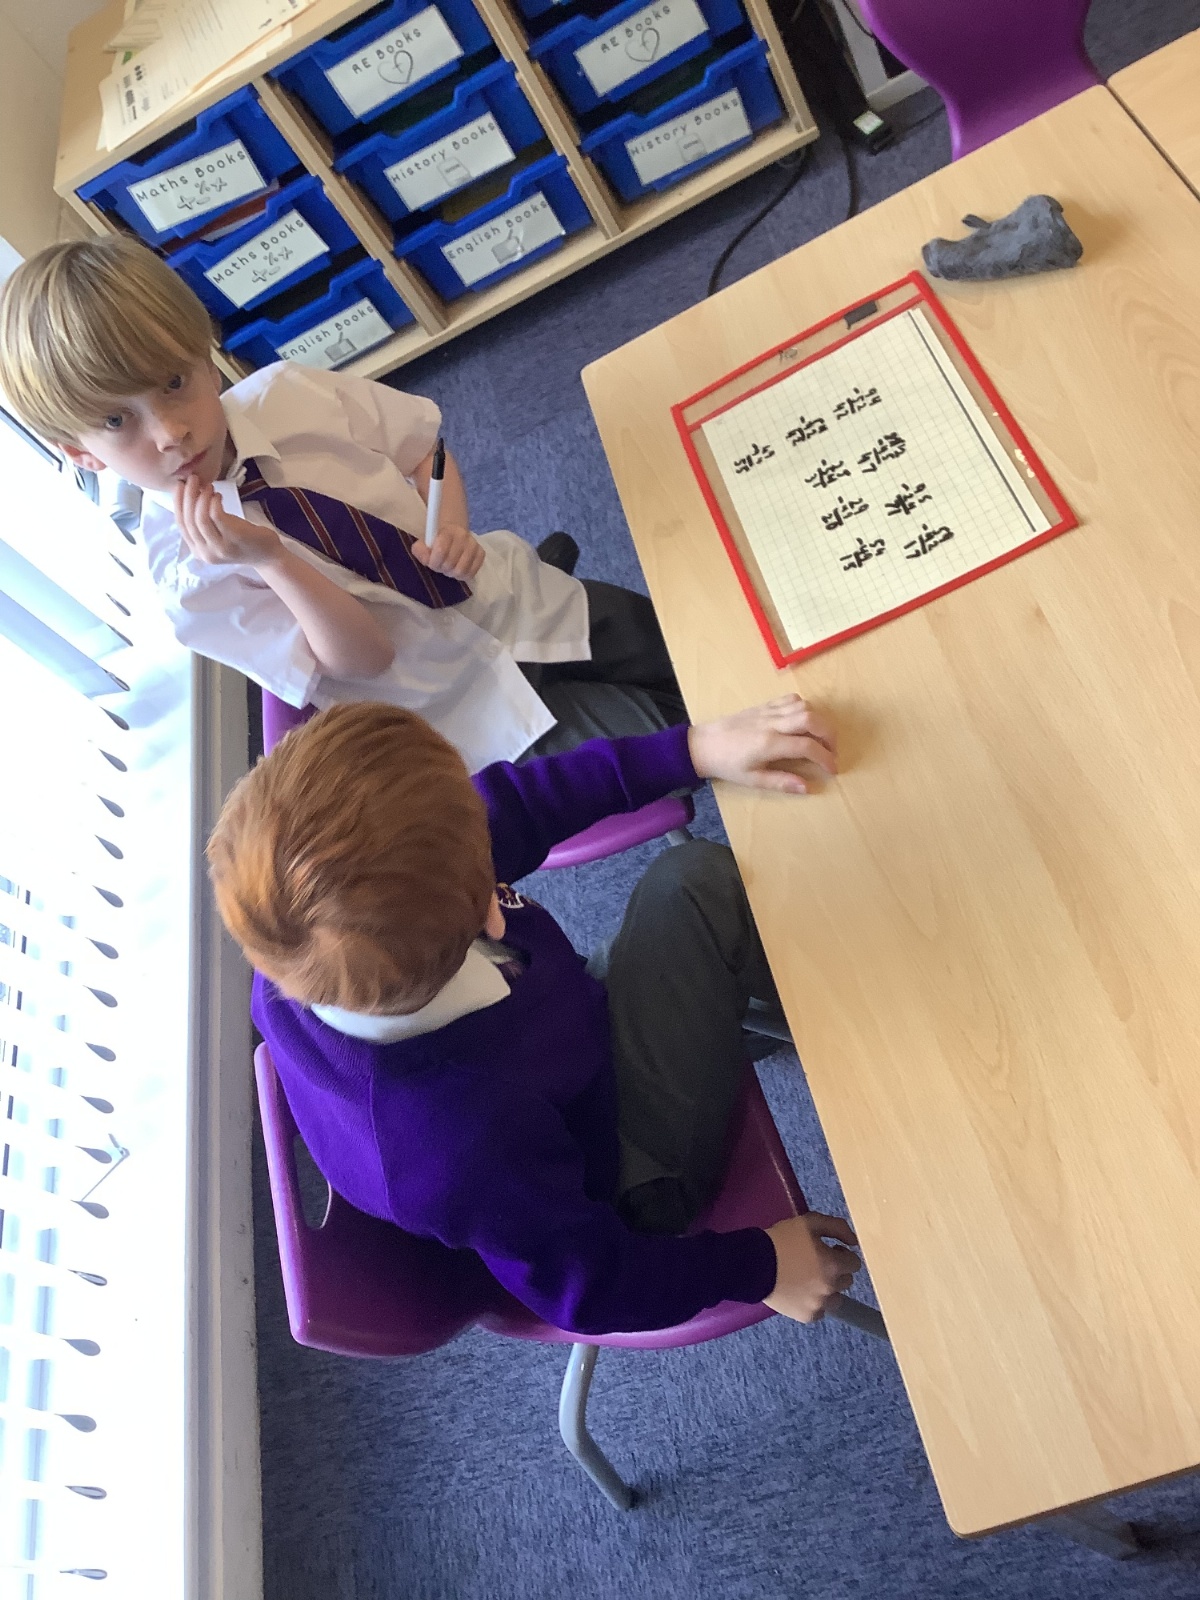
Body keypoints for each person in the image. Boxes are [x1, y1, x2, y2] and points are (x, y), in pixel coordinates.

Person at [207, 692, 863, 1334]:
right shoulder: (461, 1145)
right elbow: (596, 1289)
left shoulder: (301, 946)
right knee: (697, 885)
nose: (485, 811)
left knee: (697, 895)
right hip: (615, 1182)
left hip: (561, 1063)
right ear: (491, 911)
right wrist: (763, 1266)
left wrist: (693, 749)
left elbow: (516, 803)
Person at [0, 236, 683, 772]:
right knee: (674, 738)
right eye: (117, 422)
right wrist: (270, 560)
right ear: (83, 454)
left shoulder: (291, 394)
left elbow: (426, 448)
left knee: (673, 640)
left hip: (512, 598)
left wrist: (449, 525)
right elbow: (366, 659)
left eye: (174, 382)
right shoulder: (190, 583)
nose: (169, 433)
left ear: (206, 359)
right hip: (469, 713)